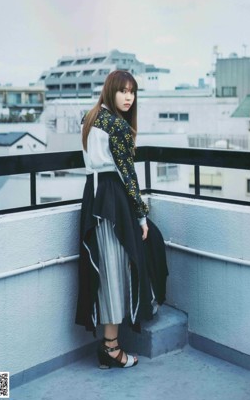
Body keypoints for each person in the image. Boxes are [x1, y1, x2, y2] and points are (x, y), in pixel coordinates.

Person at [75, 70, 168, 369]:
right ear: (110, 91)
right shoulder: (116, 126)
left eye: (133, 92)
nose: (129, 97)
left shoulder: (90, 117)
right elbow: (129, 177)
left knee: (106, 271)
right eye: (123, 91)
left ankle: (110, 345)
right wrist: (141, 216)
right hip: (113, 198)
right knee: (116, 269)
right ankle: (111, 348)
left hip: (95, 196)